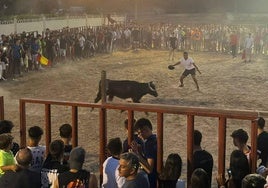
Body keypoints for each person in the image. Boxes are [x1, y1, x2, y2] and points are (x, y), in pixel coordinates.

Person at [131, 117, 157, 188]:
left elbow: (149, 169)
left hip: (150, 181)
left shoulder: (149, 145)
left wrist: (136, 154)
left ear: (145, 129)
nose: (139, 136)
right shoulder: (155, 139)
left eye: (139, 133)